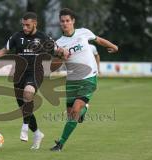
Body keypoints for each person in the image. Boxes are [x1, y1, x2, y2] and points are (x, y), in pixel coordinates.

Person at [0, 12, 68, 150]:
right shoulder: (16, 36)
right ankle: (37, 134)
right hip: (19, 75)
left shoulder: (43, 37)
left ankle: (24, 127)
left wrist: (63, 52)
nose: (25, 27)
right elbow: (5, 49)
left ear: (35, 24)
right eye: (23, 25)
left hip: (35, 72)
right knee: (25, 109)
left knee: (28, 93)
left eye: (28, 25)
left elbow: (57, 50)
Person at [50, 8, 118, 151]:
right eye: (62, 21)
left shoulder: (83, 32)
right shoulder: (59, 43)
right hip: (72, 81)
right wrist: (61, 56)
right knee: (72, 115)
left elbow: (98, 40)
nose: (65, 23)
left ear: (73, 21)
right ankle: (84, 110)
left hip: (89, 78)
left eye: (67, 20)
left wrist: (113, 46)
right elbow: (52, 67)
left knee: (74, 111)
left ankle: (60, 143)